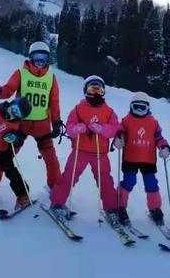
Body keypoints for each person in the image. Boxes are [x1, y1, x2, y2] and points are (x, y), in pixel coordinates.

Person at [0, 41, 62, 191]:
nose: (39, 61)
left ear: (47, 59)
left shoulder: (51, 78)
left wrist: (56, 122)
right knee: (6, 155)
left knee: (51, 160)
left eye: (43, 58)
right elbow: (7, 91)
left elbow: (54, 102)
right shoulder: (21, 73)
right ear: (30, 58)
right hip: (20, 124)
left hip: (42, 126)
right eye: (36, 57)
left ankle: (56, 188)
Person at [49, 76, 121, 223]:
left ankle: (111, 208)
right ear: (85, 91)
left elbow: (114, 129)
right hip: (79, 151)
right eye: (92, 90)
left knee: (105, 181)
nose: (95, 93)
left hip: (100, 153)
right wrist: (77, 128)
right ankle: (57, 202)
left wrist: (102, 128)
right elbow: (69, 129)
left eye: (99, 90)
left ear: (103, 92)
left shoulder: (109, 111)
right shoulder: (78, 109)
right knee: (69, 177)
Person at [113, 92, 170, 226]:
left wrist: (164, 147)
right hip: (131, 158)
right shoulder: (126, 120)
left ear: (148, 107)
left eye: (142, 107)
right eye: (136, 107)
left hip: (148, 159)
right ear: (131, 107)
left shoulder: (153, 122)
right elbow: (120, 133)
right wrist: (118, 139)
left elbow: (159, 138)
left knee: (151, 184)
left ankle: (155, 208)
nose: (139, 110)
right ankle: (120, 206)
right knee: (129, 182)